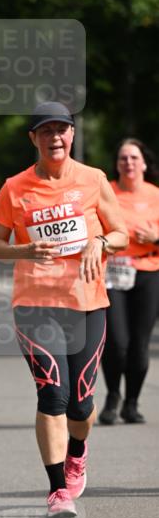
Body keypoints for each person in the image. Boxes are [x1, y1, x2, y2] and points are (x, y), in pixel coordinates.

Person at [0, 102, 128, 518]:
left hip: (86, 302)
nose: (55, 138)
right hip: (35, 304)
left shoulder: (94, 179)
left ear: (71, 135)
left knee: (81, 403)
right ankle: (56, 490)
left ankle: (77, 452)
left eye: (61, 130)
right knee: (52, 395)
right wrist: (24, 249)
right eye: (45, 131)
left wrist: (99, 242)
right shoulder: (15, 187)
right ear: (34, 139)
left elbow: (120, 232)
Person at [99, 139, 159, 424]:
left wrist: (156, 238)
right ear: (117, 164)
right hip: (114, 272)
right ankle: (112, 395)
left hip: (149, 270)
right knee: (116, 341)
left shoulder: (156, 195)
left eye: (134, 158)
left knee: (139, 343)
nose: (129, 163)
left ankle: (132, 402)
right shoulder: (106, 192)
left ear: (144, 163)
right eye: (123, 158)